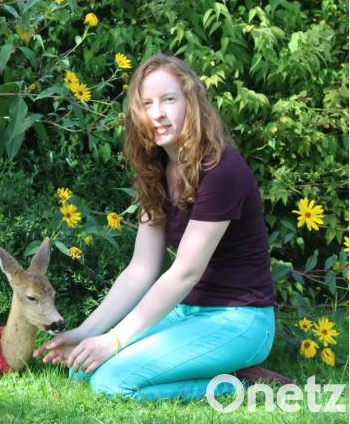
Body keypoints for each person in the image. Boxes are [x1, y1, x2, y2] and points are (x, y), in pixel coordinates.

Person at [33, 54, 276, 401]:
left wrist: (115, 340)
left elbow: (185, 272)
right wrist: (90, 330)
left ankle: (242, 382)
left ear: (191, 103)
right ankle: (213, 367)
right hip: (187, 313)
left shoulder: (222, 171)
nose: (157, 114)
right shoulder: (158, 168)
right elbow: (140, 270)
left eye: (168, 100)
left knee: (111, 382)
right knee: (82, 366)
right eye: (146, 104)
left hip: (238, 321)